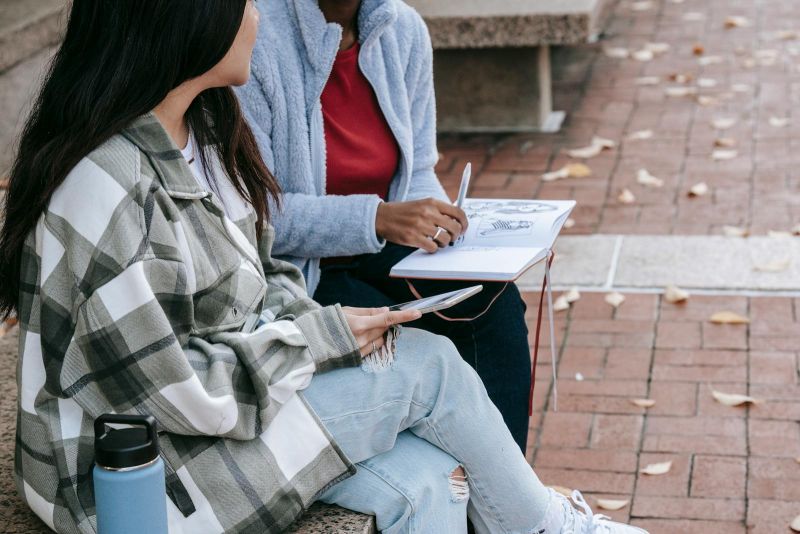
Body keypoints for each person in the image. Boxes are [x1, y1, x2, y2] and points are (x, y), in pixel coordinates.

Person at [1, 1, 647, 533]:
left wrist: (317, 323)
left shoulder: (199, 130)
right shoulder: (105, 189)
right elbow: (175, 393)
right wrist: (322, 338)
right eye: (242, 1)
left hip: (224, 407)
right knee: (427, 367)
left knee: (429, 481)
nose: (256, 14)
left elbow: (260, 267)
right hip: (139, 477)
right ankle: (553, 528)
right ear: (183, 17)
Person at [236, 0, 534, 452]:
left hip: (385, 249)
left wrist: (437, 226)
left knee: (492, 303)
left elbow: (417, 169)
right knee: (409, 336)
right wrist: (377, 217)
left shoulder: (403, 29)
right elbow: (260, 214)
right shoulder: (256, 38)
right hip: (299, 269)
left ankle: (510, 505)